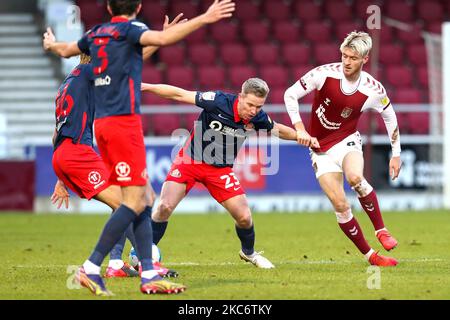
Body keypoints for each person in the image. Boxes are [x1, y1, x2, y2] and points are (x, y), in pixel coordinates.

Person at [43, 0, 235, 295]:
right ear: (139, 6)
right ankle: (96, 267)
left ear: (108, 6)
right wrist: (204, 18)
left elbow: (66, 53)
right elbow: (156, 41)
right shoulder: (101, 63)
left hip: (73, 149)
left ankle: (145, 271)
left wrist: (52, 43)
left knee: (142, 197)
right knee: (131, 203)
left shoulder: (80, 65)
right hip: (105, 136)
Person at [141, 78, 298, 269]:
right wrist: (145, 87)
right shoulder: (217, 100)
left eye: (258, 106)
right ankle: (146, 256)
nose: (253, 111)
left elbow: (278, 130)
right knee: (164, 206)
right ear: (240, 97)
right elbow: (179, 93)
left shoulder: (257, 117)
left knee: (244, 217)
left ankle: (248, 253)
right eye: (250, 105)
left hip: (219, 170)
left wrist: (302, 136)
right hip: (189, 161)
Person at [284, 31, 401, 267]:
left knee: (356, 177)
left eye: (353, 58)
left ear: (364, 59)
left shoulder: (373, 89)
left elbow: (389, 116)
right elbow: (290, 94)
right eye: (344, 56)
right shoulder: (324, 73)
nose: (346, 62)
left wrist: (396, 154)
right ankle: (371, 256)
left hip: (346, 140)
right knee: (340, 204)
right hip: (319, 149)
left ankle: (381, 230)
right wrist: (300, 129)